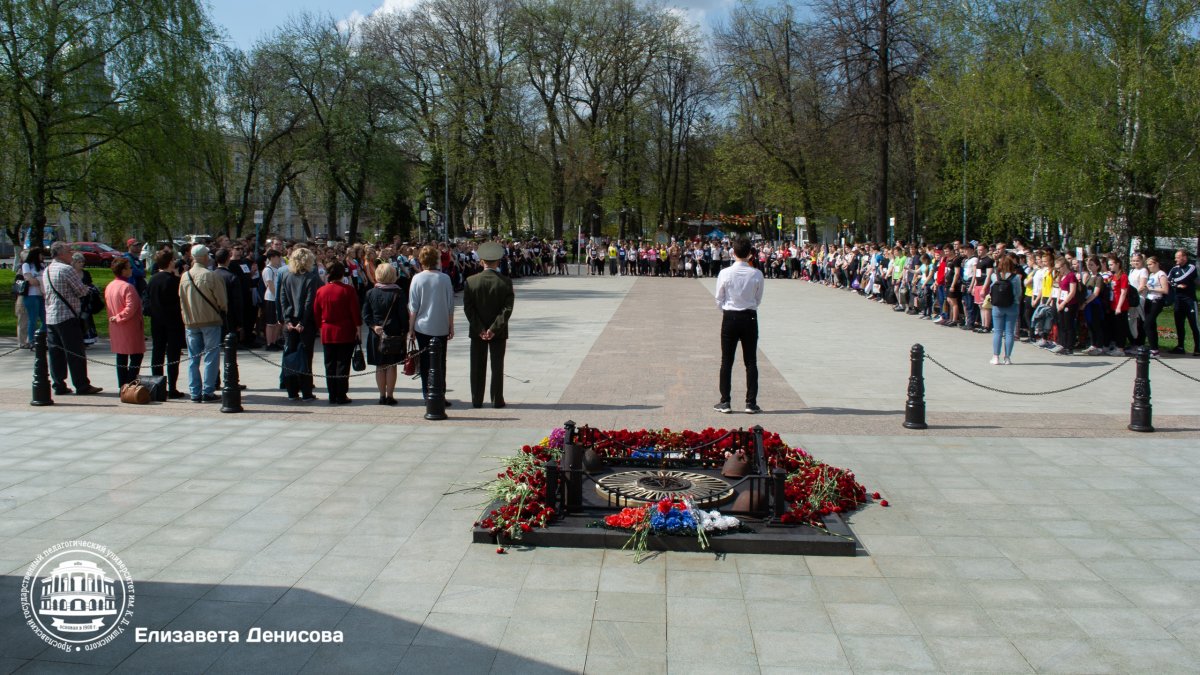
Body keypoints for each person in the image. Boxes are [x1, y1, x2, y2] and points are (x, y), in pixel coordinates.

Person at [41, 241, 102, 395]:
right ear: (61, 253)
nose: (71, 255)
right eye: (69, 251)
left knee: (56, 353)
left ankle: (58, 385)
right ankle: (81, 385)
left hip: (51, 316)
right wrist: (90, 289)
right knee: (75, 352)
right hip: (67, 316)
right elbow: (81, 291)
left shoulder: (47, 269)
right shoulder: (66, 269)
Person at [713, 238, 764, 414]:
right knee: (751, 361)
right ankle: (751, 402)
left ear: (732, 253)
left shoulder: (725, 273)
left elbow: (719, 298)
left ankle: (725, 401)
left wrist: (727, 311)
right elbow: (758, 299)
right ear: (750, 253)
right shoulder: (756, 274)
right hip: (749, 316)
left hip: (730, 316)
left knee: (726, 361)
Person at [464, 241, 515, 409]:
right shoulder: (505, 282)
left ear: (481, 261)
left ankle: (477, 399)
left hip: (477, 331)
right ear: (498, 261)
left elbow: (468, 309)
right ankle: (496, 399)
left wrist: (480, 329)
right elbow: (507, 309)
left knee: (477, 366)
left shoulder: (471, 281)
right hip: (498, 332)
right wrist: (493, 329)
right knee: (497, 365)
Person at [407, 245, 455, 408]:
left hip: (422, 326)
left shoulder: (417, 279)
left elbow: (413, 307)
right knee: (441, 361)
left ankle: (428, 394)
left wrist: (411, 328)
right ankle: (440, 392)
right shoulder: (445, 278)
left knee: (426, 363)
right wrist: (451, 325)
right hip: (440, 324)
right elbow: (450, 305)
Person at [178, 245, 227, 403]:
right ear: (205, 257)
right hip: (210, 320)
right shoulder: (211, 275)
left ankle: (194, 392)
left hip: (191, 322)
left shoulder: (185, 276)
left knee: (193, 359)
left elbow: (182, 300)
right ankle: (208, 391)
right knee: (211, 357)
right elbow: (222, 301)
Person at [313, 262, 361, 405]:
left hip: (327, 330)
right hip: (345, 330)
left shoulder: (321, 291)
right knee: (343, 364)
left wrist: (320, 327)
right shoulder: (348, 290)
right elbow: (355, 312)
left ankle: (332, 394)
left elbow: (316, 312)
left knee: (329, 364)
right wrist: (358, 328)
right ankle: (341, 394)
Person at [363, 261, 409, 405]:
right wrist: (405, 331)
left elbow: (366, 314)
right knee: (391, 365)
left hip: (376, 333)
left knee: (379, 365)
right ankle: (390, 395)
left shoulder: (371, 292)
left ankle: (382, 395)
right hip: (394, 333)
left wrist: (373, 326)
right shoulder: (398, 292)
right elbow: (403, 315)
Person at [279, 247, 321, 401]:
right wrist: (302, 322)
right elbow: (309, 303)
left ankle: (292, 391)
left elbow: (283, 300)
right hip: (305, 323)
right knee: (305, 357)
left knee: (290, 356)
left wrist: (288, 320)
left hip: (290, 323)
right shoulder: (311, 278)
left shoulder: (287, 277)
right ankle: (306, 391)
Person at [146, 251, 187, 398]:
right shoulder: (173, 281)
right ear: (170, 262)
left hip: (157, 321)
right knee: (172, 356)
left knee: (157, 353)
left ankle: (157, 386)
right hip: (173, 322)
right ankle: (172, 388)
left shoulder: (153, 279)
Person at [104, 257, 146, 388]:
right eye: (129, 267)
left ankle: (122, 385)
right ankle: (129, 384)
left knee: (121, 356)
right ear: (123, 271)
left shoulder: (110, 286)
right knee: (136, 355)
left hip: (116, 326)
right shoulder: (128, 287)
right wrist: (119, 316)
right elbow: (131, 307)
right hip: (129, 326)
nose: (131, 269)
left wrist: (116, 317)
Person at [989, 254, 1021, 365]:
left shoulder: (995, 276)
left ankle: (995, 356)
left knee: (997, 332)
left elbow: (991, 289)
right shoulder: (1015, 278)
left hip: (998, 306)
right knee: (1009, 333)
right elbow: (1018, 292)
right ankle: (1007, 357)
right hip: (1012, 305)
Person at [1167, 249, 1199, 355]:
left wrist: (1174, 282)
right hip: (1178, 300)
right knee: (1179, 324)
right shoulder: (1174, 268)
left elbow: (1184, 278)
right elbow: (1167, 280)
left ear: (1184, 257)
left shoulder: (1191, 267)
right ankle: (1180, 346)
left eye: (1178, 257)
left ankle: (1198, 348)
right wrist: (1176, 285)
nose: (1175, 259)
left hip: (1190, 300)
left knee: (1193, 324)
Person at [71, 252, 100, 346]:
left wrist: (92, 288)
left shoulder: (86, 273)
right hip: (76, 300)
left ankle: (87, 339)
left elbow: (90, 283)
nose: (81, 264)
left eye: (82, 262)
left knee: (86, 319)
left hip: (86, 300)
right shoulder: (71, 273)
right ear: (74, 262)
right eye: (79, 262)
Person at [1142, 256, 1169, 356]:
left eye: (1151, 264)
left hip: (1156, 300)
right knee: (1151, 325)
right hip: (1149, 300)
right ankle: (1154, 348)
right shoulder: (1152, 275)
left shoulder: (1161, 274)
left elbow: (1165, 290)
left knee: (1147, 324)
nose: (1149, 266)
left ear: (1157, 263)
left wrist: (1151, 289)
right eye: (1148, 265)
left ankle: (1154, 349)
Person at [20, 246, 45, 344]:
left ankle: (41, 337)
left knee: (45, 319)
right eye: (40, 254)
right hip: (31, 295)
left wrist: (38, 279)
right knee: (33, 318)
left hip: (41, 294)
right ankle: (31, 340)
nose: (42, 256)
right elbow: (31, 281)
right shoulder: (26, 265)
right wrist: (40, 280)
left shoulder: (42, 265)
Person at [261, 250, 283, 351]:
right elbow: (270, 284)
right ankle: (269, 343)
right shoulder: (268, 269)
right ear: (272, 257)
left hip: (277, 298)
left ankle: (274, 341)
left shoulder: (277, 268)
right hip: (271, 298)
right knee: (270, 323)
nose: (279, 259)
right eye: (278, 257)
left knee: (277, 322)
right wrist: (277, 296)